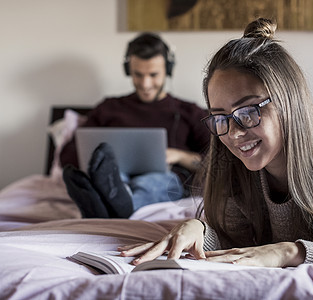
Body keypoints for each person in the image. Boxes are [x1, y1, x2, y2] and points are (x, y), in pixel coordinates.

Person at [119, 18, 313, 270]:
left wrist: (290, 251)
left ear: (290, 102)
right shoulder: (231, 156)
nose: (233, 132)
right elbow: (237, 236)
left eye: (248, 111)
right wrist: (198, 229)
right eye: (220, 117)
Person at [61, 33, 210, 219]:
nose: (145, 84)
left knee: (153, 184)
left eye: (153, 75)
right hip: (117, 175)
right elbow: (67, 154)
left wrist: (179, 156)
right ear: (128, 70)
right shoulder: (109, 108)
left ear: (168, 69)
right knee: (113, 180)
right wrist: (98, 159)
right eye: (138, 75)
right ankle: (110, 195)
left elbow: (216, 160)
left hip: (164, 178)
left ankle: (103, 205)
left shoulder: (189, 112)